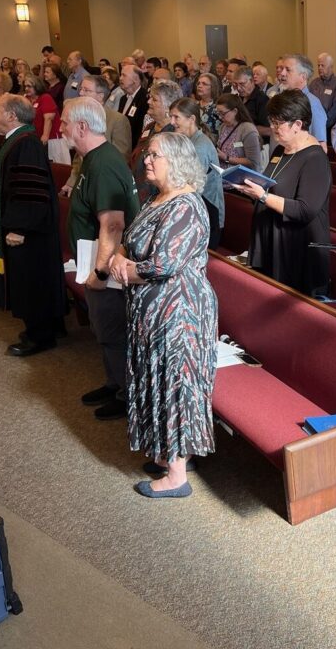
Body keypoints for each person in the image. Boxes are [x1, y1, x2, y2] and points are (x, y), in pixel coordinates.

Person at [108, 132, 218, 498]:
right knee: (155, 379)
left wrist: (126, 271)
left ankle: (177, 477)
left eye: (155, 155)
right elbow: (129, 239)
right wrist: (119, 256)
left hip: (179, 312)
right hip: (153, 310)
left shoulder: (186, 205)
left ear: (177, 161)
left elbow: (165, 264)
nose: (147, 160)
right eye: (147, 154)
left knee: (175, 385)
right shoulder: (157, 197)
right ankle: (169, 452)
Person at [64, 97, 140, 421]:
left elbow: (113, 224)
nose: (61, 127)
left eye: (65, 122)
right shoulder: (93, 159)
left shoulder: (104, 163)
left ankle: (126, 394)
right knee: (105, 330)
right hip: (94, 259)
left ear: (82, 126)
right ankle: (114, 384)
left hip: (107, 265)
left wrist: (100, 271)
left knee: (113, 329)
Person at [0, 94, 66, 356]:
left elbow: (30, 189)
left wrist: (19, 228)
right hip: (29, 227)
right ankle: (47, 327)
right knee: (33, 278)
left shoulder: (26, 143)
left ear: (12, 115)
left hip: (29, 230)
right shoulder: (17, 141)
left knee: (32, 280)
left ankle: (39, 336)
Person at [233, 90, 330, 297]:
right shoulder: (280, 151)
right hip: (272, 240)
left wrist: (263, 196)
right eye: (272, 121)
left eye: (278, 123)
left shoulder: (315, 158)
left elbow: (305, 210)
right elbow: (269, 186)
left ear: (298, 124)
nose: (272, 127)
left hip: (297, 249)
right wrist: (249, 187)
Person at [166, 97, 225, 250]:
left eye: (176, 117)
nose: (172, 122)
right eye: (171, 116)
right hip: (195, 211)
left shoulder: (200, 147)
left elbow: (190, 187)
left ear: (191, 119)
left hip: (206, 214)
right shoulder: (187, 141)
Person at [22, 74, 70, 163]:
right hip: (36, 138)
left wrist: (45, 136)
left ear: (37, 86)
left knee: (56, 165)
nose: (26, 88)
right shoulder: (27, 99)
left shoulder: (45, 98)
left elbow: (49, 119)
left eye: (29, 86)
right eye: (25, 86)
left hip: (52, 139)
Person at [215, 94, 262, 172]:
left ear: (235, 111)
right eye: (218, 114)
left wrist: (227, 158)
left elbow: (253, 162)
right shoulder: (223, 127)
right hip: (223, 173)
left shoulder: (248, 129)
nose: (220, 117)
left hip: (241, 176)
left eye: (223, 113)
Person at [310, 52, 336, 134]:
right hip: (312, 127)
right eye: (318, 65)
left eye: (322, 65)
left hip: (329, 129)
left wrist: (321, 126)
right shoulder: (313, 83)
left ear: (330, 67)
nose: (319, 68)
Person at [194, 72, 222, 139]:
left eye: (204, 84)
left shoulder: (218, 108)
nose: (200, 86)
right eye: (198, 83)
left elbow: (219, 134)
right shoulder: (194, 105)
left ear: (213, 87)